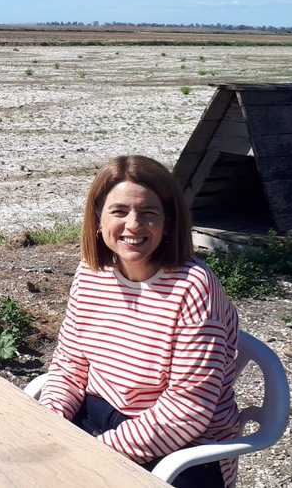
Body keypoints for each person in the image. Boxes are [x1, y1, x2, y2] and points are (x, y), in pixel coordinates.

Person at [38, 155, 240, 488]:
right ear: (98, 220)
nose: (133, 225)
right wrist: (50, 421)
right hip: (98, 416)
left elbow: (187, 410)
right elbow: (70, 366)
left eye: (148, 213)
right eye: (119, 212)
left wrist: (95, 455)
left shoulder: (193, 288)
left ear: (169, 223)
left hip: (181, 446)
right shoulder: (91, 274)